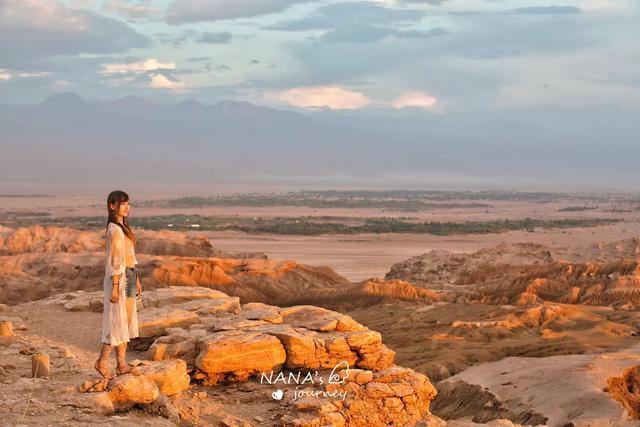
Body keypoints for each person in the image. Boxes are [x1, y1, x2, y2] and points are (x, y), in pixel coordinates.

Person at [94, 190, 142, 379]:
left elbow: (130, 257)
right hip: (119, 279)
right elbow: (115, 261)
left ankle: (121, 364)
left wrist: (136, 279)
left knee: (127, 322)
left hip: (129, 276)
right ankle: (102, 362)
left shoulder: (123, 228)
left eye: (128, 204)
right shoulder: (114, 230)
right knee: (116, 322)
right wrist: (115, 286)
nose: (126, 207)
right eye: (123, 204)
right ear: (112, 206)